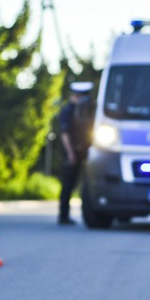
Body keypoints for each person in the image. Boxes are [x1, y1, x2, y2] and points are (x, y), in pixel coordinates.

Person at [57, 82, 94, 225]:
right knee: (68, 184)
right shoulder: (68, 110)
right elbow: (64, 134)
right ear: (76, 96)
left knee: (84, 184)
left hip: (84, 152)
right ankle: (63, 215)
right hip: (72, 153)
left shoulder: (86, 110)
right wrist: (70, 153)